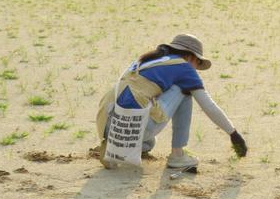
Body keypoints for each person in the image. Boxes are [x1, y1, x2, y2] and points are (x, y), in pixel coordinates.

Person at [95, 33, 247, 169]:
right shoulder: (184, 67)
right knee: (185, 90)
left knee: (149, 143)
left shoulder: (152, 60)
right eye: (198, 63)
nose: (196, 68)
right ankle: (177, 154)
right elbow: (208, 106)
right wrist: (233, 133)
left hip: (110, 125)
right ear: (191, 57)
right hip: (132, 126)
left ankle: (113, 147)